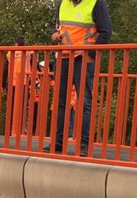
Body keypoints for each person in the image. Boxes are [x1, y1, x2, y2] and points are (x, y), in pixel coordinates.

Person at [46, 0, 112, 157]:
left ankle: (84, 146)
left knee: (84, 103)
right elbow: (55, 25)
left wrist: (91, 54)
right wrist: (54, 35)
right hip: (63, 57)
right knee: (60, 102)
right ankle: (58, 143)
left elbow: (106, 31)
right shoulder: (63, 3)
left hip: (83, 59)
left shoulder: (96, 3)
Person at [3, 37, 33, 135]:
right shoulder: (28, 53)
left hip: (12, 84)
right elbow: (34, 67)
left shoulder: (10, 53)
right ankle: (22, 131)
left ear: (16, 44)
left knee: (11, 107)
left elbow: (5, 69)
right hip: (24, 83)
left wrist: (3, 84)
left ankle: (10, 131)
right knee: (24, 107)